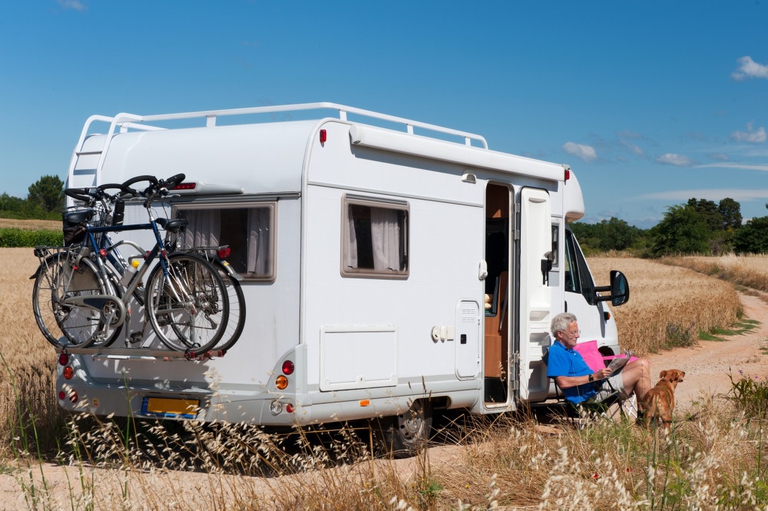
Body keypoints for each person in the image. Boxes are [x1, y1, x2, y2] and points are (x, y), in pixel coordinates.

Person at [547, 312, 651, 405]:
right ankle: (647, 417)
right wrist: (594, 377)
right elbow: (563, 382)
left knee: (642, 363)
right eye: (573, 332)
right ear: (560, 334)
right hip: (592, 395)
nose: (577, 335)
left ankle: (644, 417)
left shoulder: (572, 351)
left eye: (578, 331)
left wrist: (617, 367)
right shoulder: (557, 351)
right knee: (641, 369)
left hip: (599, 385)